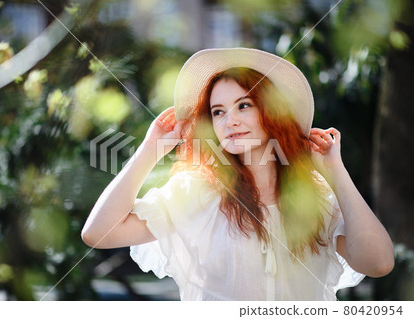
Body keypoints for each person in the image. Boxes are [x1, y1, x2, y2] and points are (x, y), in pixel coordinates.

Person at [81, 48, 394, 301]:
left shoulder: (315, 199)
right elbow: (98, 233)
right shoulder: (196, 192)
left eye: (244, 105)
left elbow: (378, 264)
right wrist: (150, 148)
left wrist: (335, 172)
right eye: (218, 111)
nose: (229, 120)